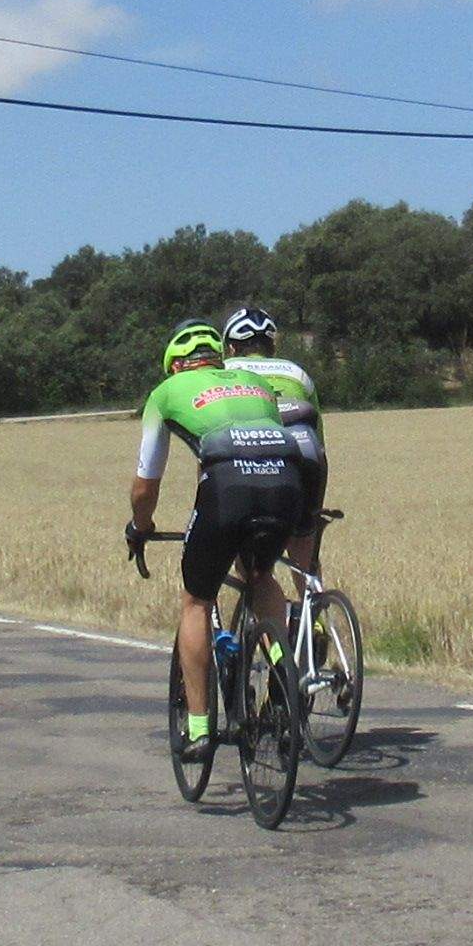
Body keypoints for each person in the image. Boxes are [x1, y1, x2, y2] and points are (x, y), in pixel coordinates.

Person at [128, 319, 305, 763]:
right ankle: (285, 670)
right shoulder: (251, 380)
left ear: (174, 365)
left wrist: (141, 526)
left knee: (196, 600)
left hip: (228, 489)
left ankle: (200, 728)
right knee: (260, 576)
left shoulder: (166, 393)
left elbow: (146, 483)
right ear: (217, 357)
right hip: (287, 483)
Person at [219, 306, 329, 579]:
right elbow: (320, 441)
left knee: (253, 565)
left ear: (231, 347)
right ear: (271, 345)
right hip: (306, 458)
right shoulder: (297, 373)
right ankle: (314, 614)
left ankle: (266, 614)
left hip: (250, 463)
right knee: (303, 548)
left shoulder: (223, 370)